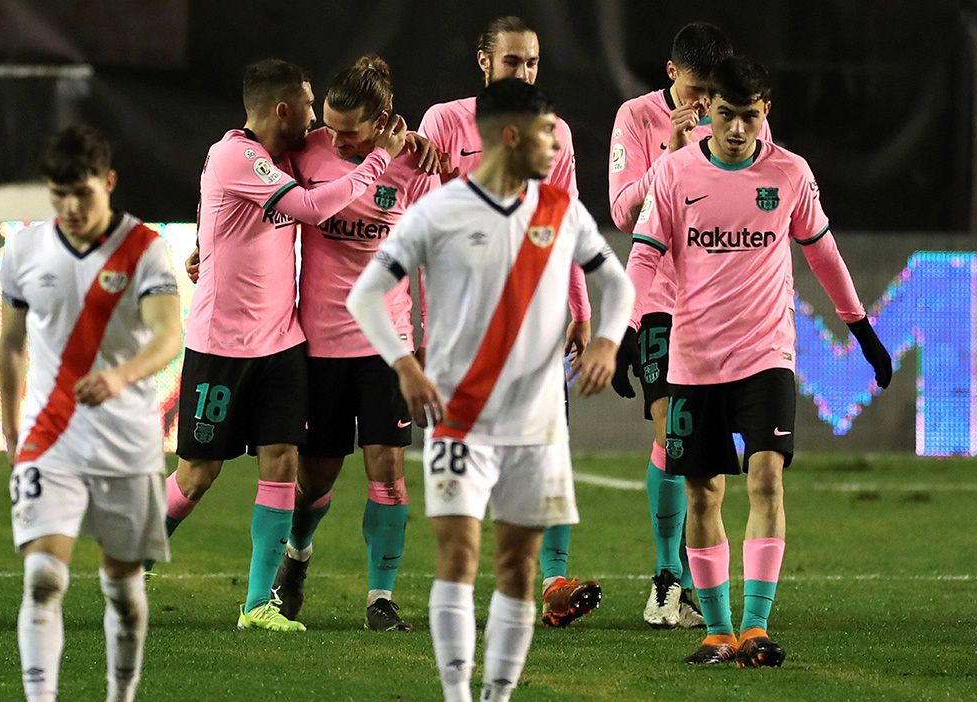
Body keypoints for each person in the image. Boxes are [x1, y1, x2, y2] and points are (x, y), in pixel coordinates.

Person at [348, 79, 634, 702]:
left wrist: (608, 341)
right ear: (511, 136)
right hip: (461, 415)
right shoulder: (439, 211)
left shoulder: (560, 210)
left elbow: (619, 282)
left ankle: (498, 696)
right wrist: (402, 363)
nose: (557, 145)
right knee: (458, 556)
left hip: (536, 423)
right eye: (545, 135)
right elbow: (366, 292)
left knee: (518, 568)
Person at [631, 56, 892, 666]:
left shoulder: (791, 174)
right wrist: (628, 329)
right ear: (707, 113)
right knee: (703, 492)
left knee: (767, 478)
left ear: (764, 112)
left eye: (749, 117)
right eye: (726, 116)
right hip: (694, 359)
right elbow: (643, 257)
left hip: (767, 353)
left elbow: (823, 255)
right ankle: (717, 632)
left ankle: (755, 627)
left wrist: (861, 327)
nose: (738, 129)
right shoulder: (673, 174)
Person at [161, 58, 408, 633]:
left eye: (349, 127)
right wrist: (378, 159)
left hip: (293, 342)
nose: (327, 127)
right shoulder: (256, 154)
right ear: (284, 109)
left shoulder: (399, 161)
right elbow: (308, 206)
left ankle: (263, 605)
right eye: (311, 104)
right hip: (237, 344)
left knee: (294, 463)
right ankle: (133, 559)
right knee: (200, 474)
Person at [417, 14, 601, 629]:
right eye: (511, 62)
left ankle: (552, 581)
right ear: (483, 63)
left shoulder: (556, 133)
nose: (521, 73)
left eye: (531, 63)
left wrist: (580, 305)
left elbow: (564, 219)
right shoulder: (444, 123)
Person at [0, 123, 183, 702]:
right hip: (50, 439)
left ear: (108, 182)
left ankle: (120, 696)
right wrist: (11, 429)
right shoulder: (23, 250)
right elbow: (9, 345)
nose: (71, 208)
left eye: (82, 193)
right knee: (44, 578)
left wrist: (122, 375)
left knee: (124, 593)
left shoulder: (145, 249)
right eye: (58, 195)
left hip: (126, 443)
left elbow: (169, 336)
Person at [607, 21, 769, 630]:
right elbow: (624, 211)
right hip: (660, 303)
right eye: (697, 90)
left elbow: (762, 189)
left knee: (704, 453)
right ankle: (667, 577)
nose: (707, 106)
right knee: (673, 435)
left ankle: (693, 577)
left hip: (723, 307)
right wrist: (672, 160)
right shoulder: (637, 119)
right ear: (671, 75)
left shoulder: (742, 117)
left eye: (715, 93)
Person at [271, 54, 440, 632]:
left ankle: (380, 598)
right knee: (315, 477)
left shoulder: (417, 166)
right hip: (318, 343)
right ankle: (296, 557)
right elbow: (250, 196)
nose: (336, 140)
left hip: (385, 343)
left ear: (383, 119)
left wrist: (426, 339)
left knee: (388, 471)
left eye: (351, 131)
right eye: (332, 127)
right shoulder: (306, 150)